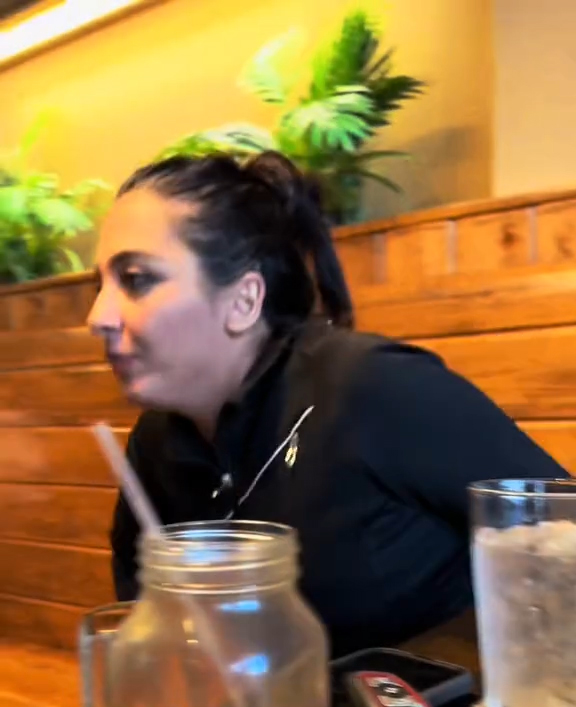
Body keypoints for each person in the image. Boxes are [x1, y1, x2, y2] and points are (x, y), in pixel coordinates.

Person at [89, 151, 567, 658]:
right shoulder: (157, 444)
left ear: (244, 301)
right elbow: (150, 627)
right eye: (99, 287)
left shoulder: (375, 389)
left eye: (137, 279)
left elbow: (564, 537)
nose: (98, 316)